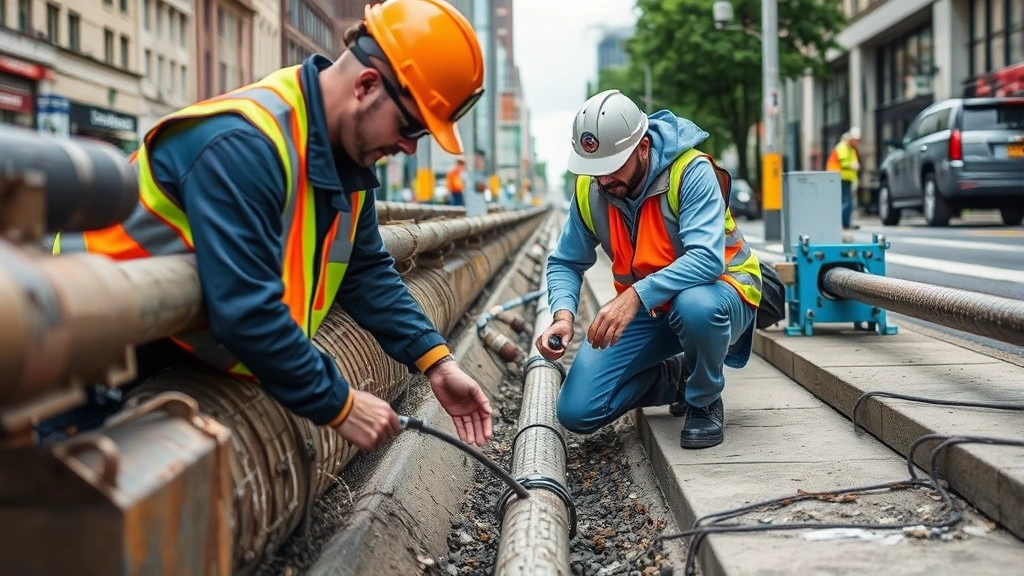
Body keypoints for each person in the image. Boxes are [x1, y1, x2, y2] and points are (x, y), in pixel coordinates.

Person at [48, 0, 492, 451]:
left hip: (168, 352)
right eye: (411, 127)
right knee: (58, 499)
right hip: (85, 349)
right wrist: (338, 403)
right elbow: (246, 308)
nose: (409, 147)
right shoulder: (243, 144)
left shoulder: (348, 164)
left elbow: (365, 271)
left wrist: (436, 362)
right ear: (367, 84)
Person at [536, 90, 762, 449]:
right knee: (577, 411)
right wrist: (562, 315)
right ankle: (678, 377)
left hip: (721, 292)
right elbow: (565, 261)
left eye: (611, 166)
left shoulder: (691, 171)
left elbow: (706, 259)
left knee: (696, 306)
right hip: (656, 307)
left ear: (642, 147)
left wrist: (634, 297)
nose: (603, 180)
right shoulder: (590, 189)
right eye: (594, 170)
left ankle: (703, 400)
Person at [826, 127, 862, 230]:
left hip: (845, 178)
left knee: (846, 201)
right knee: (846, 202)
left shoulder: (850, 148)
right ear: (851, 139)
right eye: (856, 140)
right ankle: (844, 223)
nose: (857, 142)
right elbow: (843, 163)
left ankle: (844, 223)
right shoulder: (843, 147)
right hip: (839, 177)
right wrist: (852, 165)